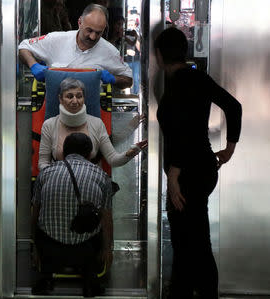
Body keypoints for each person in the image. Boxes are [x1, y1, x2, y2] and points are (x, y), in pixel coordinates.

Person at [155, 27, 242, 299]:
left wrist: (174, 173)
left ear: (159, 55)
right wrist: (229, 148)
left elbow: (184, 129)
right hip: (202, 167)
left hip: (187, 173)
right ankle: (181, 290)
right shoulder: (197, 78)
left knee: (194, 242)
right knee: (186, 239)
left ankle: (202, 292)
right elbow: (234, 106)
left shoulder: (177, 84)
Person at [32, 132, 112, 297]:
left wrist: (35, 247)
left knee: (42, 227)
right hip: (86, 250)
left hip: (49, 248)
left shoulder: (45, 173)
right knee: (98, 226)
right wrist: (107, 249)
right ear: (90, 153)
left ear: (63, 152)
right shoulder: (101, 176)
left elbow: (35, 213)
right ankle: (90, 282)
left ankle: (46, 278)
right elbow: (106, 219)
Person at [38, 77, 147, 171]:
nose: (75, 101)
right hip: (59, 181)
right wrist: (54, 176)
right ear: (60, 99)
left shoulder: (97, 124)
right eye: (70, 96)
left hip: (91, 182)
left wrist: (131, 152)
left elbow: (113, 159)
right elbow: (43, 163)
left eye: (79, 96)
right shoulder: (49, 125)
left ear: (84, 98)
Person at [19, 4, 132, 88]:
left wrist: (114, 79)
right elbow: (24, 47)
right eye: (89, 30)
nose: (92, 37)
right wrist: (34, 65)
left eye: (98, 33)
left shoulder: (110, 52)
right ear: (79, 22)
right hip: (54, 108)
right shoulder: (56, 40)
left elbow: (128, 80)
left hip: (90, 111)